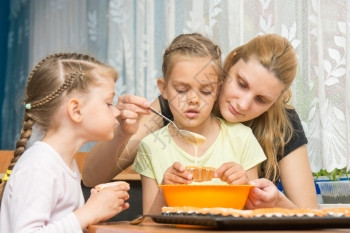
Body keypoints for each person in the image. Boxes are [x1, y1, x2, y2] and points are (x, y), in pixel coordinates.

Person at [83, 34, 318, 210]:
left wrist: (275, 198)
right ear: (230, 65)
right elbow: (92, 177)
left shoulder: (282, 124)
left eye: (262, 99)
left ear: (276, 100)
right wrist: (123, 132)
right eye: (241, 84)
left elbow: (309, 217)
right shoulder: (176, 107)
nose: (243, 104)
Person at [131, 33, 266, 214]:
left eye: (205, 91)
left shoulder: (241, 139)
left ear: (218, 90)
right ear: (163, 89)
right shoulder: (151, 147)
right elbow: (148, 223)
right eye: (181, 90)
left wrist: (243, 187)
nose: (194, 99)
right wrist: (164, 192)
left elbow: (255, 214)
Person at [0, 53, 131, 232]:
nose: (116, 112)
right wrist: (88, 213)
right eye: (108, 103)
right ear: (76, 110)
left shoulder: (63, 164)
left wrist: (97, 211)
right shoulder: (40, 166)